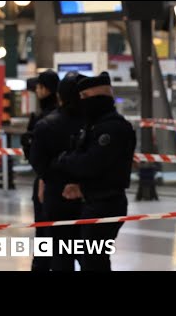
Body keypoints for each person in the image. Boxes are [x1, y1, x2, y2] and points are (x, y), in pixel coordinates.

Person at [52, 72, 136, 271]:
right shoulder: (96, 126)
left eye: (84, 98)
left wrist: (65, 161)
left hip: (106, 203)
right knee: (91, 259)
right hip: (94, 199)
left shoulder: (112, 129)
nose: (81, 104)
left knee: (93, 260)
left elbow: (91, 163)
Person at [29, 73, 86, 271]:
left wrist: (46, 178)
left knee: (56, 249)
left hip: (54, 193)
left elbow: (37, 160)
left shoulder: (45, 123)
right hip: (87, 194)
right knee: (88, 251)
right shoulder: (92, 122)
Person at [22, 69, 59, 271]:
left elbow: (35, 157)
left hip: (46, 182)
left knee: (44, 235)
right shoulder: (65, 115)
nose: (36, 90)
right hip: (65, 184)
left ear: (45, 89)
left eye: (38, 87)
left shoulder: (42, 120)